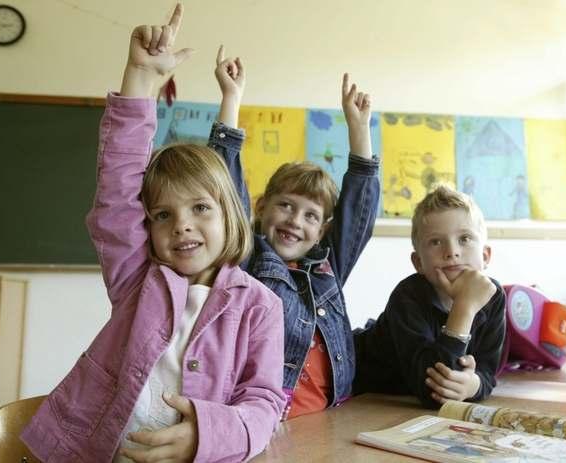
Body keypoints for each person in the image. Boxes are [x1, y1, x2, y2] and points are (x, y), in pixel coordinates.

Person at [21, 5, 285, 461]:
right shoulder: (136, 279)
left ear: (231, 215)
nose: (181, 223)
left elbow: (263, 403)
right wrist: (140, 79)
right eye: (162, 215)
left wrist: (206, 436)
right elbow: (117, 191)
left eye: (200, 208)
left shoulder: (261, 306)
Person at [213, 47, 380, 419]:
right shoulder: (248, 258)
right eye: (286, 206)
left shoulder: (326, 266)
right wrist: (231, 98)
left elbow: (359, 216)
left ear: (322, 230)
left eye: (310, 215)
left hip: (329, 416)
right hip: (267, 422)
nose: (295, 221)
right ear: (261, 208)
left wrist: (358, 129)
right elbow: (223, 187)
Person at [353, 184, 505, 409]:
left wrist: (473, 385)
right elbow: (432, 393)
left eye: (464, 239)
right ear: (418, 263)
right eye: (436, 242)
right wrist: (465, 306)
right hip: (357, 367)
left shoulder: (493, 295)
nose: (452, 251)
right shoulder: (407, 296)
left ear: (485, 256)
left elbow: (487, 372)